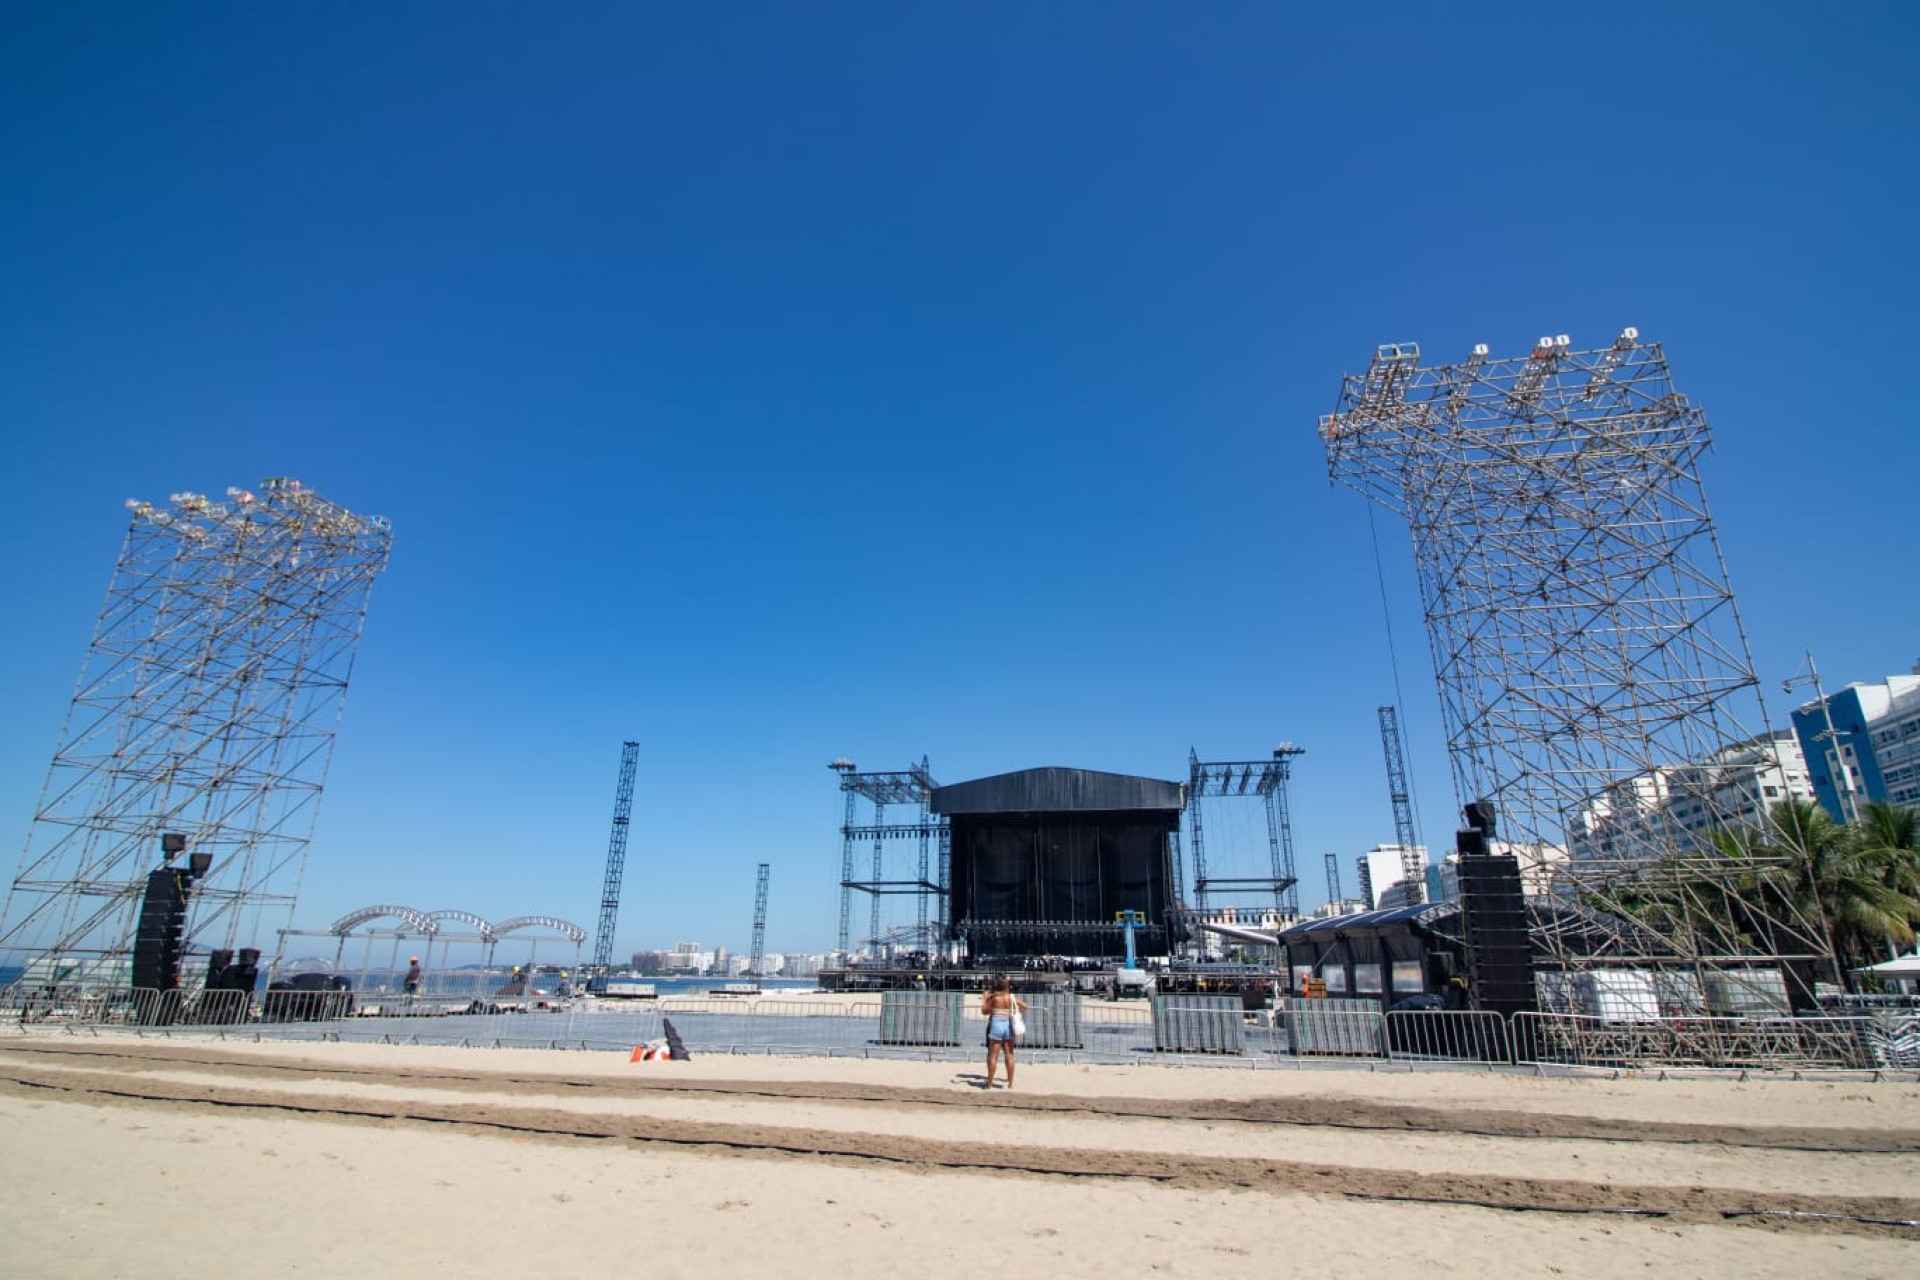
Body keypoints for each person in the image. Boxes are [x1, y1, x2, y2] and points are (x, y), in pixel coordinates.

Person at [981, 977, 1028, 1090]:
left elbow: (984, 1011)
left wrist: (984, 999)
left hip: (996, 1023)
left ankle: (990, 1083)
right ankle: (1010, 1083)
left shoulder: (993, 998)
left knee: (993, 1056)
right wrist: (1015, 1011)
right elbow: (1026, 1006)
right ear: (1007, 987)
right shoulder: (1011, 998)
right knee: (1009, 1054)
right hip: (1008, 1023)